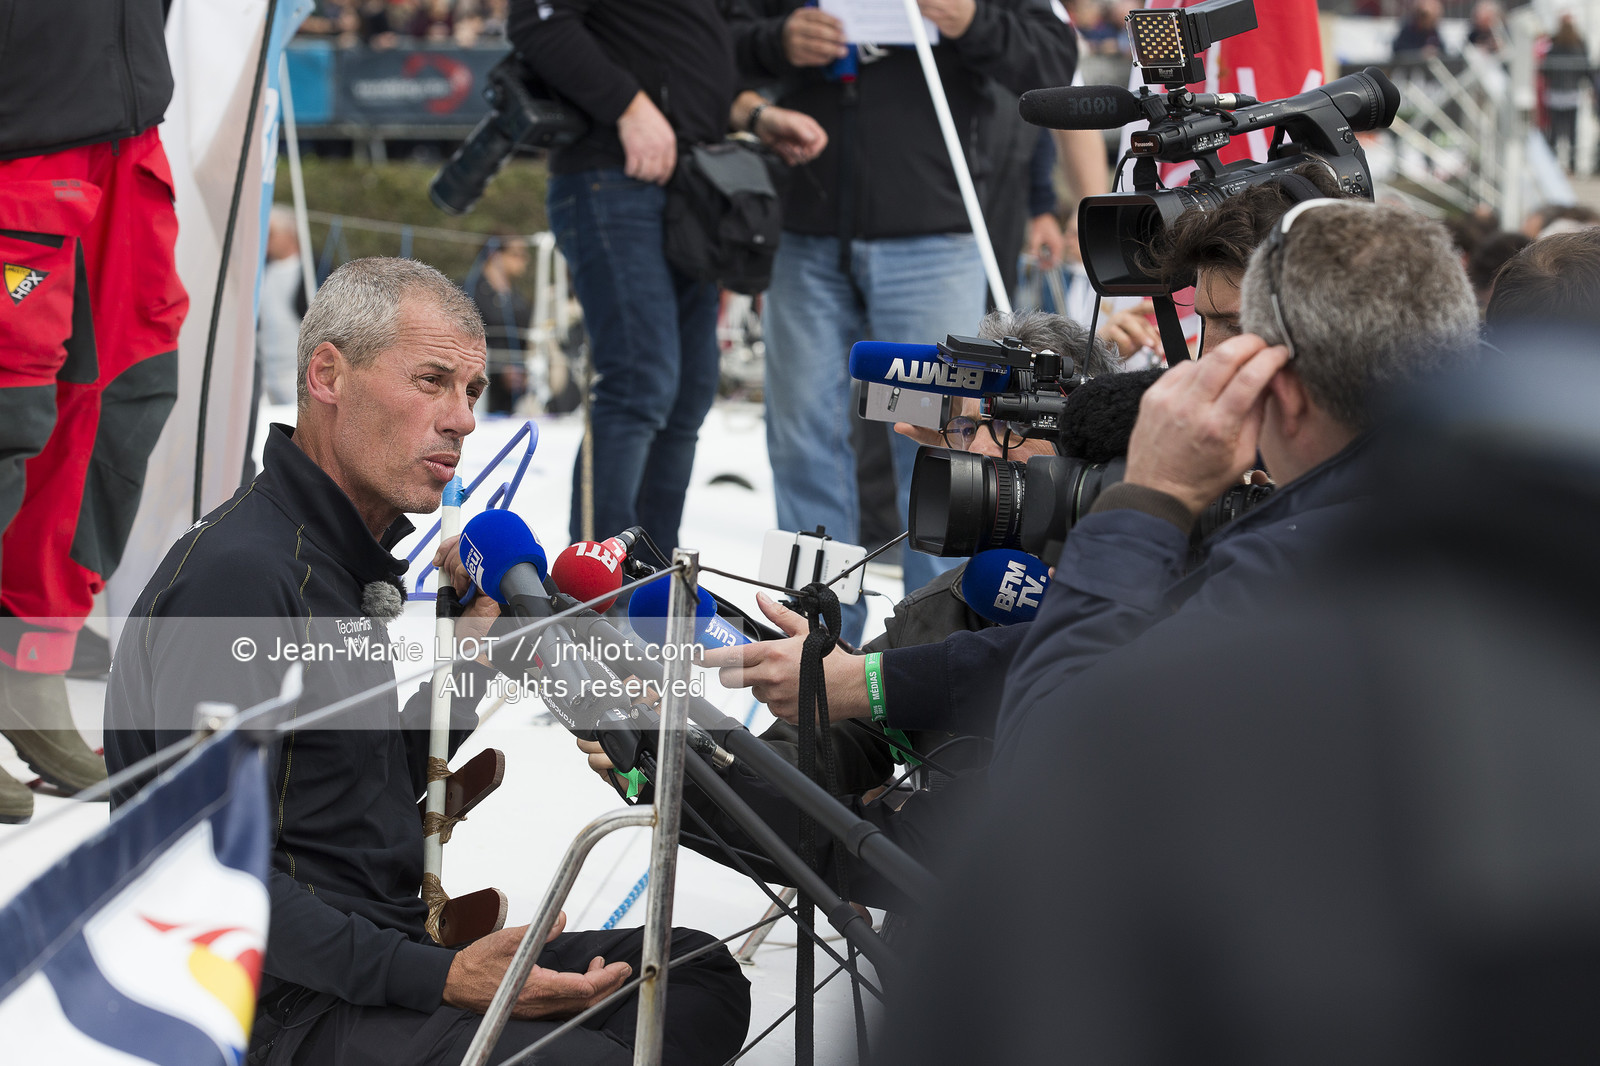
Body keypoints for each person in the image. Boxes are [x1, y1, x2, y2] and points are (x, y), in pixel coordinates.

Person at [104, 259, 750, 1065]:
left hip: (381, 955)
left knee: (696, 974)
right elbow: (198, 875)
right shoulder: (244, 575)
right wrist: (439, 978)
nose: (463, 420)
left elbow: (344, 784)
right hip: (278, 1006)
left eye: (472, 391)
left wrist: (480, 662)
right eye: (434, 381)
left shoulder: (339, 556)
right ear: (328, 374)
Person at [883, 345, 1600, 1065]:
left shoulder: (1274, 594)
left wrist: (1139, 512)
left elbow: (1047, 759)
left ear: (1285, 396)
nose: (1212, 365)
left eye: (1241, 334)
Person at [695, 170, 1351, 745]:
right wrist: (688, 760)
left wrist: (859, 684)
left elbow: (1106, 658)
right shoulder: (961, 598)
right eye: (1204, 321)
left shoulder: (1340, 519)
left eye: (1235, 326)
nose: (1209, 359)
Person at [726, 0, 1079, 642]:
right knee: (803, 439)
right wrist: (777, 39)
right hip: (804, 229)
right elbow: (714, 41)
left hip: (933, 235)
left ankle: (936, 644)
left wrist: (969, 19)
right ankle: (813, 639)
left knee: (948, 443)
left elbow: (1054, 59)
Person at [508, 0, 826, 553]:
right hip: (613, 174)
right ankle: (598, 590)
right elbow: (538, 20)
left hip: (686, 187)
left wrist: (754, 116)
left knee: (688, 390)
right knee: (641, 382)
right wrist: (628, 106)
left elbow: (689, 53)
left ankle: (652, 582)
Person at [0, 0, 188, 823]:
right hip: (17, 137)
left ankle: (31, 676)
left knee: (123, 400)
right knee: (8, 418)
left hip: (126, 128)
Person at [464, 234, 533, 416]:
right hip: (479, 389)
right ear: (494, 255)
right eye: (518, 254)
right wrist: (500, 369)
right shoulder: (467, 290)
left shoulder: (517, 298)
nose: (525, 260)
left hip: (515, 392)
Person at [259, 205, 307, 407]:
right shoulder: (260, 270)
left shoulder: (315, 268)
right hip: (263, 371)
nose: (265, 239)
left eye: (270, 233)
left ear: (289, 234)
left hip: (296, 373)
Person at [1541, 14, 1590, 174]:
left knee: (1554, 131)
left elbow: (1545, 69)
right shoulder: (1579, 45)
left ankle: (1552, 164)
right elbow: (1585, 69)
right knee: (1571, 132)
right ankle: (1571, 165)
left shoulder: (1554, 45)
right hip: (1571, 93)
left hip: (1556, 93)